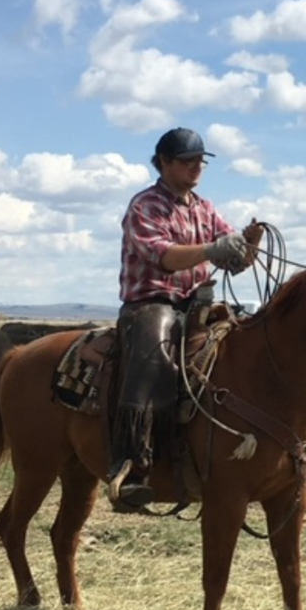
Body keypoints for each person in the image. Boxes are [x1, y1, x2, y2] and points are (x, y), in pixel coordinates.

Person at [107, 127, 257, 511]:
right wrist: (212, 248)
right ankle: (131, 465)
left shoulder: (203, 207)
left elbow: (233, 261)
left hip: (197, 303)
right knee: (153, 355)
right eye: (188, 162)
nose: (196, 168)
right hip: (151, 303)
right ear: (163, 162)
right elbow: (165, 256)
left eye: (200, 162)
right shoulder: (144, 206)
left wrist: (248, 246)